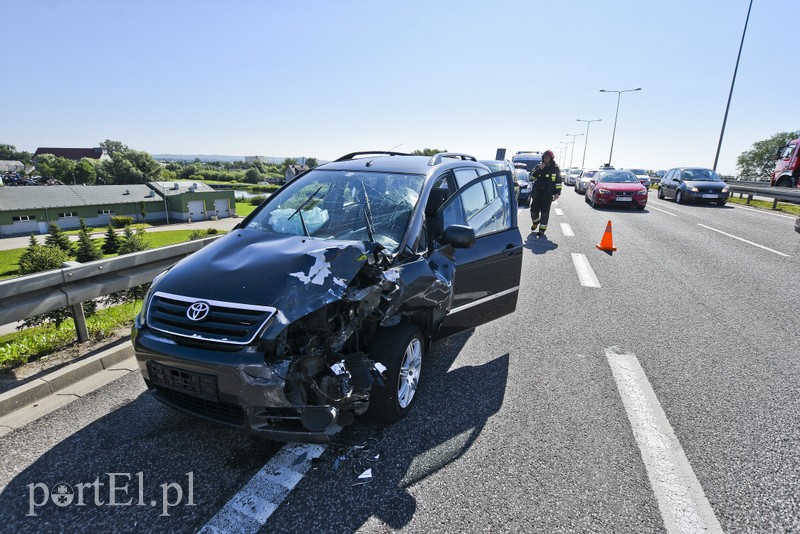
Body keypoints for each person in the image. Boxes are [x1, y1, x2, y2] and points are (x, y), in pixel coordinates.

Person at [529, 149, 562, 236]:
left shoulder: (555, 169)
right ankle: (536, 222)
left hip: (547, 195)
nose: (545, 160)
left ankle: (541, 230)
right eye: (544, 158)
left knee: (545, 213)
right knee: (533, 212)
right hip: (537, 194)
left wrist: (557, 193)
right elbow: (531, 178)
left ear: (551, 159)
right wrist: (539, 169)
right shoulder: (538, 166)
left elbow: (558, 182)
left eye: (547, 158)